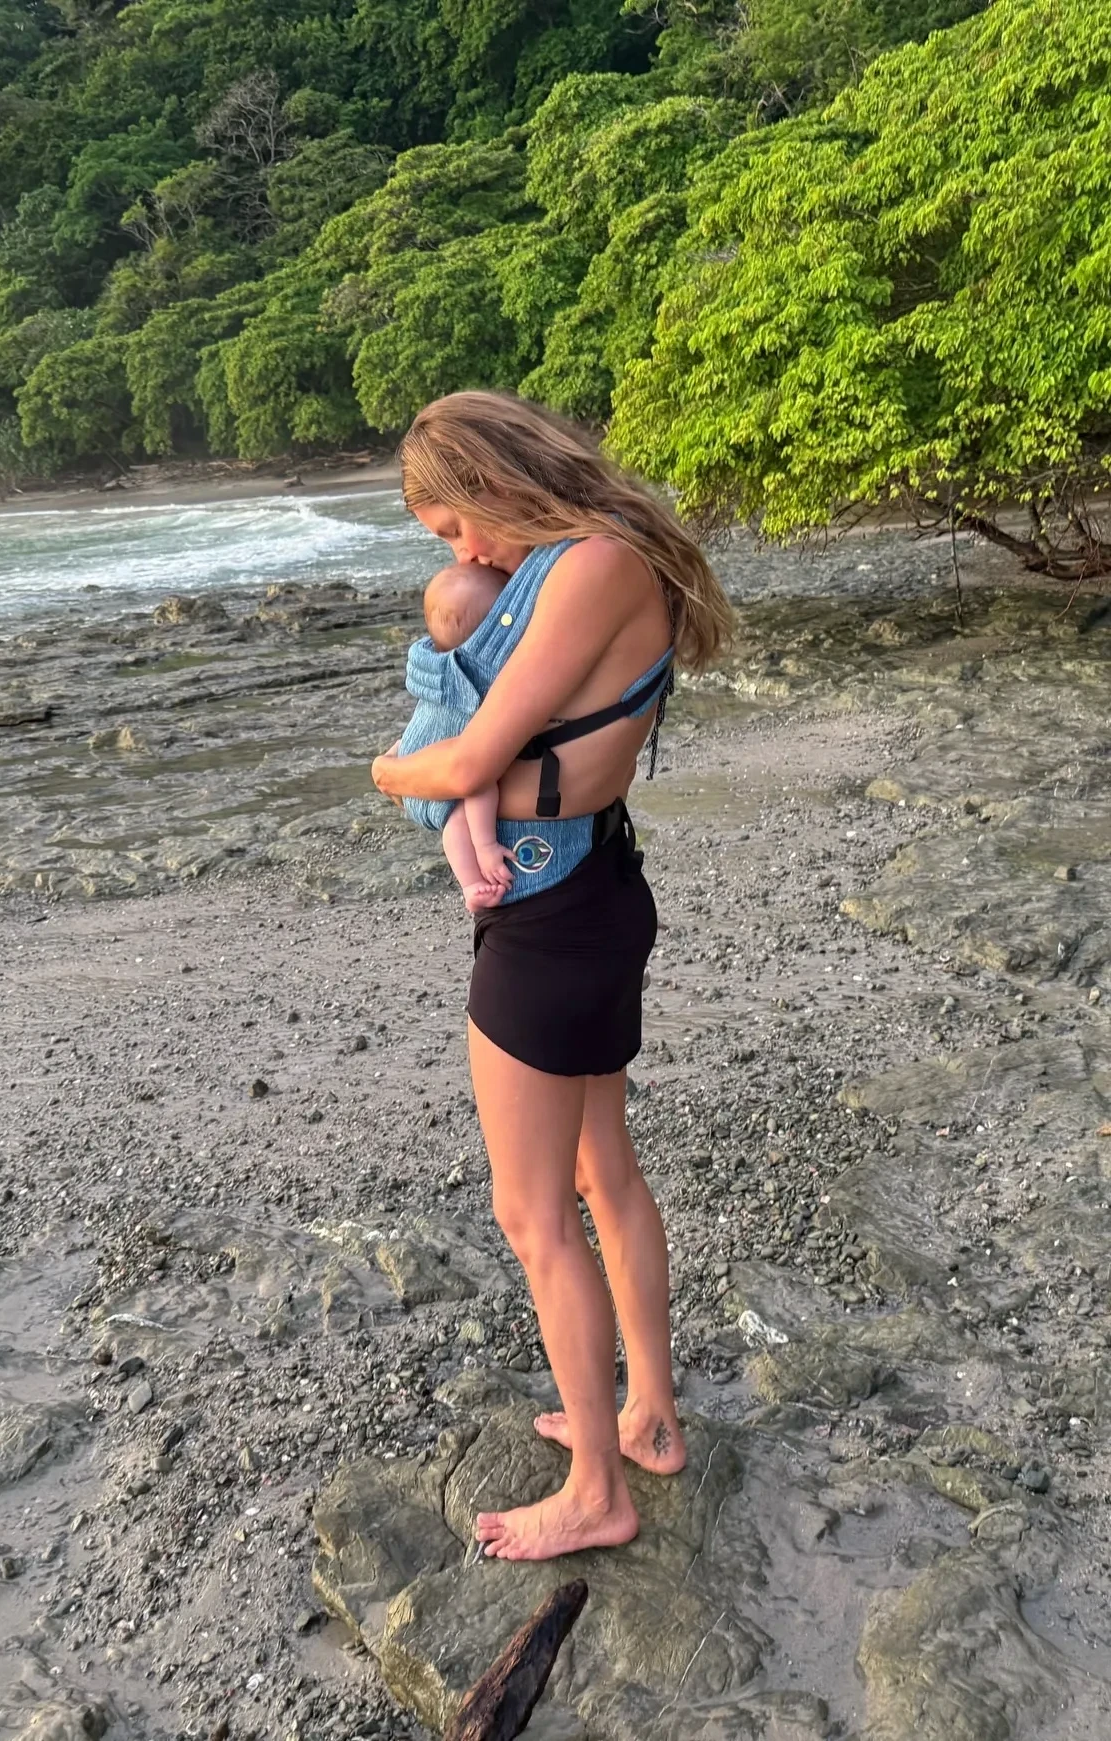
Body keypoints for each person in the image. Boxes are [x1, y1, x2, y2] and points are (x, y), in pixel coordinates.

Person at [371, 391, 734, 1562]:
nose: (469, 555)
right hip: (590, 896)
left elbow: (471, 756)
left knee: (531, 1212)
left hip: (551, 923)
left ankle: (594, 1490)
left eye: (457, 527)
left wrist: (385, 771)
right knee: (599, 1170)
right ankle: (647, 1415)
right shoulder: (605, 558)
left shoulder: (588, 568)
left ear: (490, 478)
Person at [397, 561, 516, 912]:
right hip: (444, 769)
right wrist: (487, 847)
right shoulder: (482, 672)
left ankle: (471, 880)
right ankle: (475, 874)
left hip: (413, 757)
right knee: (477, 787)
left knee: (457, 814)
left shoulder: (430, 661)